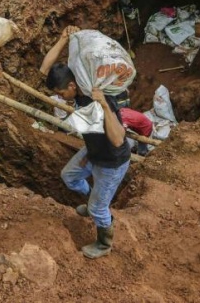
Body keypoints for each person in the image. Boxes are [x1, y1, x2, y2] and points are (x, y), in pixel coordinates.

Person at [40, 26, 130, 259]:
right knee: (69, 176)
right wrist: (62, 39)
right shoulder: (77, 79)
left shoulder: (96, 95)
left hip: (112, 161)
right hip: (92, 151)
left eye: (61, 94)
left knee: (99, 208)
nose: (60, 98)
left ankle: (104, 243)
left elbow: (119, 139)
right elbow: (44, 68)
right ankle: (92, 201)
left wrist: (102, 104)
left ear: (71, 86)